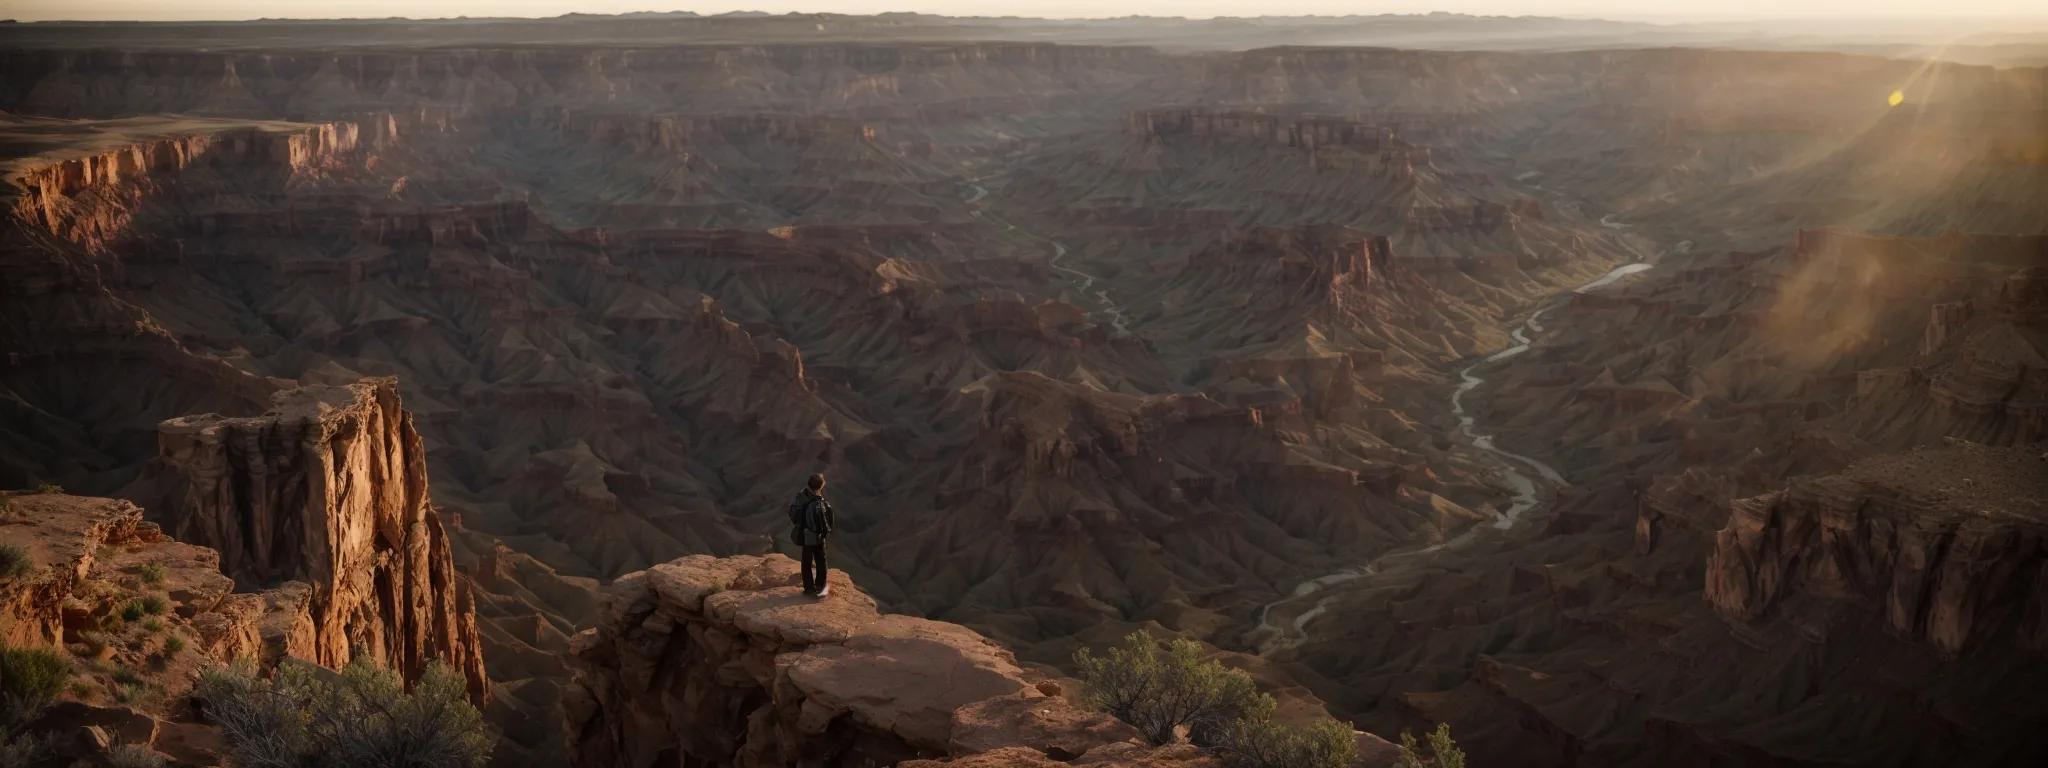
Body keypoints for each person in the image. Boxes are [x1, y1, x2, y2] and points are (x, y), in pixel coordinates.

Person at [789, 473, 835, 598]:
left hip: (805, 535)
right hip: (817, 537)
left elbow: (793, 515)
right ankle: (820, 587)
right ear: (821, 486)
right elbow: (826, 523)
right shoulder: (819, 503)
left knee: (806, 562)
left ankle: (809, 588)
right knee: (821, 561)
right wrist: (825, 532)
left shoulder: (801, 497)